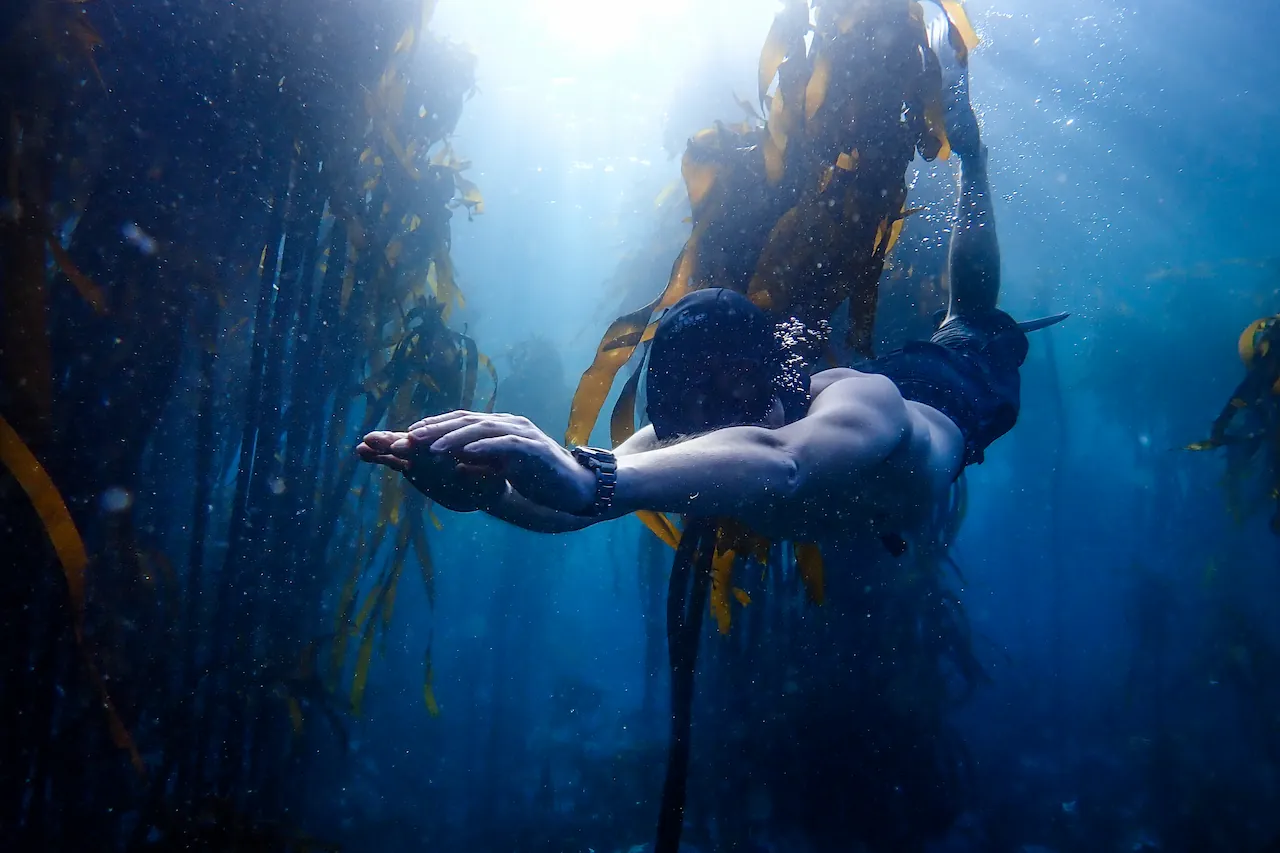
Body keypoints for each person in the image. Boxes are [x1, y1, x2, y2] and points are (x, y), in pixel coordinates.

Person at [356, 23, 1064, 558]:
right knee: (956, 321)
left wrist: (590, 477)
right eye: (681, 421)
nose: (687, 439)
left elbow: (782, 466)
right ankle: (970, 164)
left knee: (970, 326)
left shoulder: (862, 404)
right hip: (840, 439)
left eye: (706, 416)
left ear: (751, 390)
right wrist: (486, 493)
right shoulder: (688, 426)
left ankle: (971, 156)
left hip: (943, 394)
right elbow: (574, 503)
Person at [1188, 313, 1280, 533]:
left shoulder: (1268, 362)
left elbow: (1246, 391)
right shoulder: (1268, 364)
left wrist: (1220, 427)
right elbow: (1247, 391)